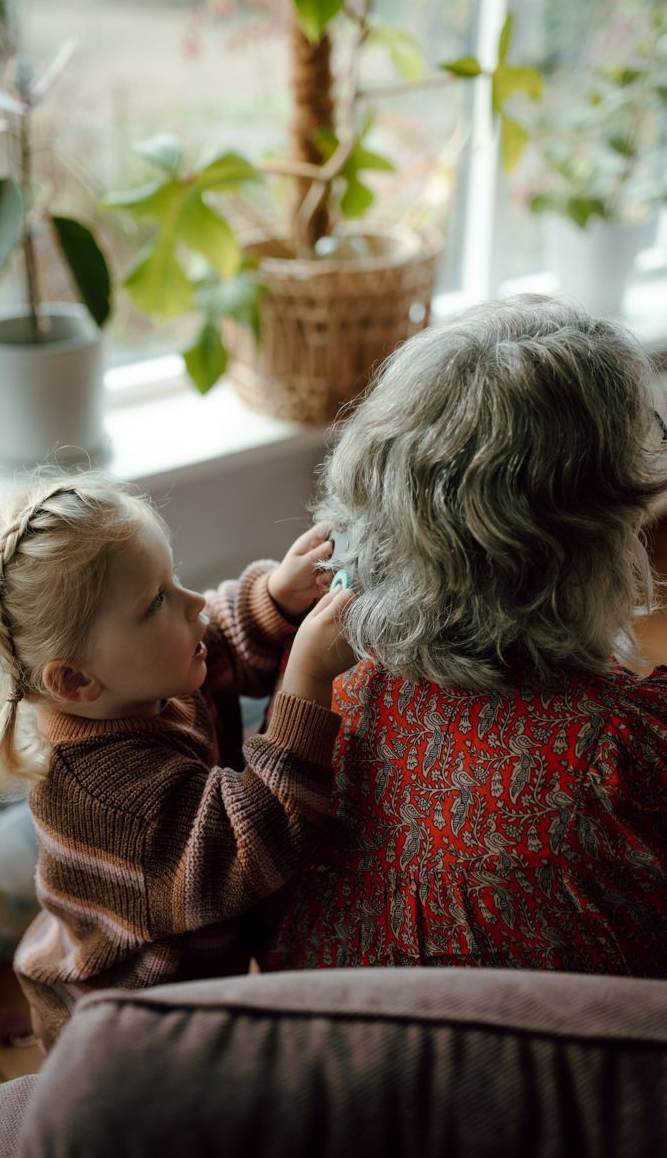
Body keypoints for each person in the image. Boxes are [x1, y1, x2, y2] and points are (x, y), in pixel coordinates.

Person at [257, 294, 667, 978]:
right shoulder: (625, 754)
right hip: (551, 1073)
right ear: (587, 542)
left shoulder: (335, 700)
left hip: (336, 1053)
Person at [0, 472, 354, 1049]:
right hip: (135, 1034)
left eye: (174, 578)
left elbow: (213, 640)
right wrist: (308, 678)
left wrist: (273, 599)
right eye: (155, 601)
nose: (193, 604)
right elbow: (256, 842)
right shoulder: (109, 799)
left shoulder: (138, 681)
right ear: (73, 679)